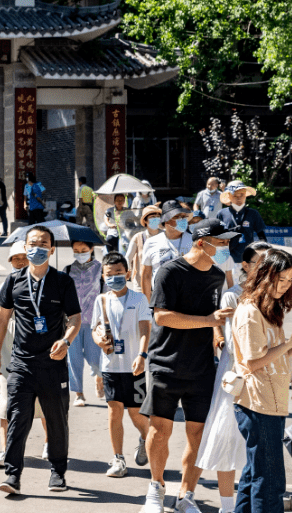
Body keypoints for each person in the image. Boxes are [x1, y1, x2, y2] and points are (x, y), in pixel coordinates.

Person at [139, 218, 240, 513]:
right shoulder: (170, 271)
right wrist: (210, 321)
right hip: (166, 362)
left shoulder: (218, 277)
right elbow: (162, 317)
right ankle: (156, 490)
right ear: (201, 242)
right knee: (160, 430)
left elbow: (215, 317)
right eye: (221, 242)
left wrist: (217, 334)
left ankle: (186, 495)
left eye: (227, 242)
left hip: (202, 368)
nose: (226, 248)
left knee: (197, 434)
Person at [0, 225, 82, 494]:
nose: (38, 248)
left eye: (43, 243)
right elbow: (2, 318)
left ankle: (57, 472)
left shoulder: (63, 282)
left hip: (53, 363)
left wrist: (66, 341)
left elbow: (75, 318)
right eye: (33, 243)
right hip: (21, 363)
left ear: (52, 249)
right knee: (18, 417)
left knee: (56, 420)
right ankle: (12, 476)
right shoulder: (14, 280)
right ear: (25, 246)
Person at [195, 241, 272, 513]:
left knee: (260, 445)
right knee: (226, 439)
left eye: (268, 263)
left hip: (269, 375)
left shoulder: (278, 296)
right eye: (259, 263)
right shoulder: (232, 295)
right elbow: (233, 340)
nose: (264, 268)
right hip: (237, 375)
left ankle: (253, 503)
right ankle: (227, 508)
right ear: (245, 265)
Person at [230, 248, 292, 513]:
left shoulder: (270, 308)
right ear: (266, 275)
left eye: (290, 281)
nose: (285, 286)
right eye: (281, 280)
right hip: (257, 403)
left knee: (254, 473)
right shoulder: (249, 312)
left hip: (272, 401)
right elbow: (253, 361)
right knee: (270, 480)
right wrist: (288, 344)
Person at [91, 252, 152, 478]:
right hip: (110, 367)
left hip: (134, 366)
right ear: (103, 276)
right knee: (114, 410)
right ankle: (118, 459)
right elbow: (95, 329)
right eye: (109, 274)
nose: (114, 277)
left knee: (136, 413)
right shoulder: (102, 300)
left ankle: (145, 439)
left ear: (127, 273)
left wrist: (142, 355)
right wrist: (100, 342)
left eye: (118, 273)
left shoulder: (139, 299)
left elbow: (146, 329)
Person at [0, 242, 48, 467]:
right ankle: (7, 450)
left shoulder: (45, 287)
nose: (21, 262)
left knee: (44, 405)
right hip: (8, 358)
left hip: (38, 357)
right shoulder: (0, 290)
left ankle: (49, 443)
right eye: (16, 258)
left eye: (24, 257)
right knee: (6, 405)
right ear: (10, 262)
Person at [65, 240, 104, 407]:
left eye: (83, 250)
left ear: (91, 249)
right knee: (73, 359)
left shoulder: (101, 269)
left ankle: (99, 378)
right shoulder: (67, 270)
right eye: (76, 250)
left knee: (96, 357)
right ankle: (78, 393)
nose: (80, 253)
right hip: (72, 322)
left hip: (94, 322)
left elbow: (107, 294)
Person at [140, 200, 193, 302]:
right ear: (166, 221)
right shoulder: (151, 242)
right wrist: (146, 305)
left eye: (183, 217)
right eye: (177, 217)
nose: (182, 220)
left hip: (189, 299)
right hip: (162, 299)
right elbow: (146, 275)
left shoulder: (194, 241)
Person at [216, 180, 267, 279]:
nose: (239, 198)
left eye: (242, 195)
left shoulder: (253, 213)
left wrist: (265, 254)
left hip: (248, 261)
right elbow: (216, 237)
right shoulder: (221, 214)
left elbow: (261, 235)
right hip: (227, 260)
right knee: (228, 290)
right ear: (229, 196)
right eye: (235, 195)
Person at [125, 205, 162, 294]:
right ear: (145, 220)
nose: (156, 219)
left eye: (158, 217)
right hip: (141, 283)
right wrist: (127, 270)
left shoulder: (165, 236)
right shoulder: (138, 237)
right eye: (152, 217)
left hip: (161, 283)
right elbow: (128, 257)